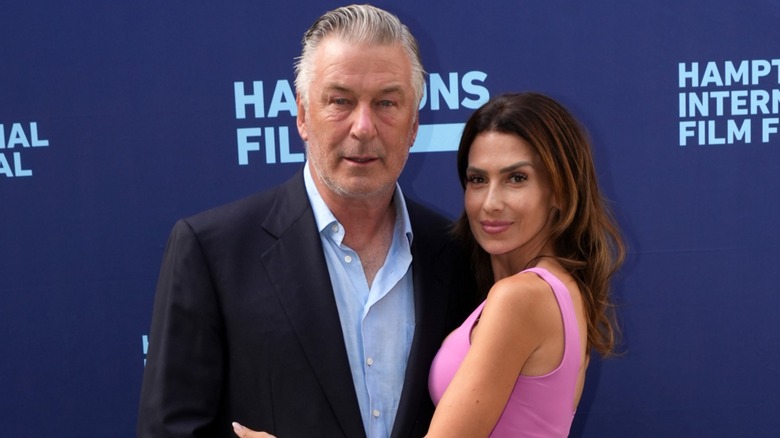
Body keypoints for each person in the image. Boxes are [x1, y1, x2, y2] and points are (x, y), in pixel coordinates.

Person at [137, 4, 476, 438]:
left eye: (387, 102)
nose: (363, 127)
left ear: (413, 124)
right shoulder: (211, 252)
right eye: (340, 101)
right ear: (302, 114)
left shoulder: (458, 255)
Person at [424, 92, 626, 437]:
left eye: (516, 178)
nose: (490, 203)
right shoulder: (560, 288)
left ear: (560, 191)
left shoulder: (520, 298)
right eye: (478, 180)